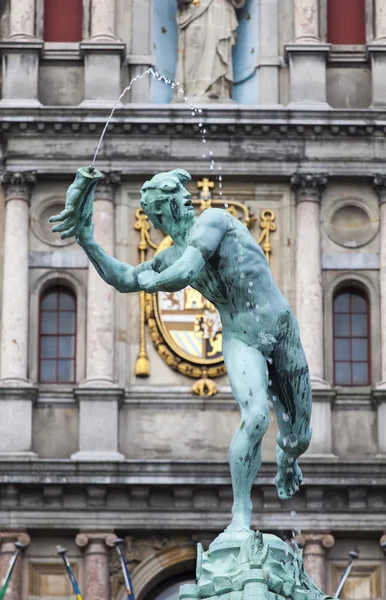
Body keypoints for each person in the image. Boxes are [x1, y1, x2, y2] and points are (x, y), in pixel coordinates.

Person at [50, 168, 312, 533]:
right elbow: (124, 277)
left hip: (280, 330)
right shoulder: (169, 253)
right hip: (240, 338)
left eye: (184, 197)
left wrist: (152, 282)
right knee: (255, 418)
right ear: (160, 215)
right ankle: (241, 515)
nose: (187, 202)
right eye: (177, 200)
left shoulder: (214, 221)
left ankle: (288, 458)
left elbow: (187, 271)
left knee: (299, 437)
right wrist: (87, 240)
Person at [174, 0, 246, 102]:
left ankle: (217, 89)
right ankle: (191, 92)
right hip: (195, 9)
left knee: (217, 51)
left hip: (220, 9)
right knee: (194, 51)